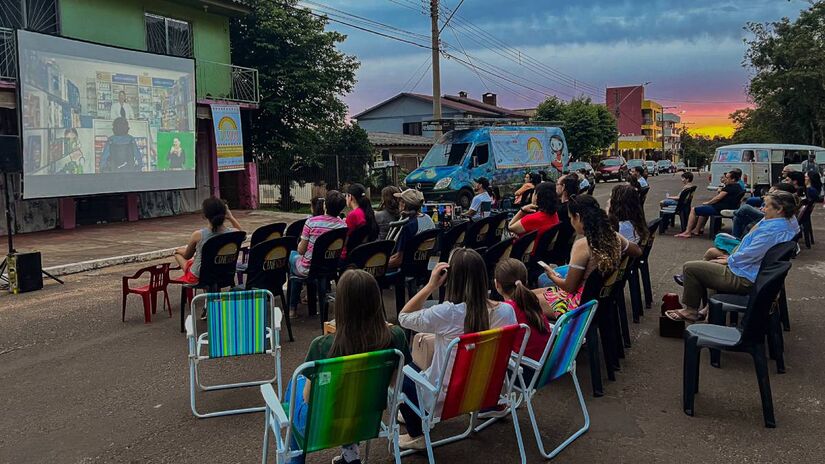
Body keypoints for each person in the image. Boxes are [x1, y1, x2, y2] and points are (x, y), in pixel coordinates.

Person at [396, 248, 517, 449]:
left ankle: (416, 434)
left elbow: (404, 317)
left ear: (451, 277)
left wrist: (430, 285)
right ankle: (416, 410)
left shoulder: (447, 313)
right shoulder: (506, 311)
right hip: (484, 391)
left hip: (446, 399)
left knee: (404, 372)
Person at [288, 269, 411, 464]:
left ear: (342, 305)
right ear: (376, 301)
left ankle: (295, 461)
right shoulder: (396, 337)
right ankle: (350, 455)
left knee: (294, 386)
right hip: (365, 420)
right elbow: (395, 383)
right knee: (355, 393)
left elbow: (308, 398)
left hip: (324, 426)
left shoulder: (323, 345)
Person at [666, 191, 799, 322]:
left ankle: (691, 311)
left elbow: (751, 254)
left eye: (766, 206)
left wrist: (730, 260)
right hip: (756, 272)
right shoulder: (786, 222)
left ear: (780, 209)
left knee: (690, 268)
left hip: (745, 277)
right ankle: (709, 308)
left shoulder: (772, 231)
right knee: (711, 261)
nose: (762, 209)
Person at [533, 195, 641, 320]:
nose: (571, 222)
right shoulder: (614, 237)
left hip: (578, 305)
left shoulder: (582, 245)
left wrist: (551, 275)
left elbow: (569, 287)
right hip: (598, 298)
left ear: (578, 217)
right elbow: (637, 251)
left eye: (571, 218)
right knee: (529, 294)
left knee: (525, 301)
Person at [287, 190, 347, 318]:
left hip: (308, 268)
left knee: (292, 256)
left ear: (325, 205)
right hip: (330, 267)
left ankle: (292, 307)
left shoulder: (311, 222)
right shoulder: (343, 225)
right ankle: (310, 298)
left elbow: (301, 250)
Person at [494, 258, 551, 373]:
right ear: (525, 281)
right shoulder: (531, 300)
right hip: (543, 364)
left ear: (497, 285)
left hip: (522, 371)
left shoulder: (506, 310)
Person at [173, 198, 242, 287]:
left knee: (178, 253)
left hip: (201, 277)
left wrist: (178, 251)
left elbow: (187, 255)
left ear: (205, 215)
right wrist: (231, 217)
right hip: (225, 274)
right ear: (225, 213)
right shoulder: (234, 234)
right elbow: (241, 233)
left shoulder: (198, 235)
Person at [675, 170, 744, 238]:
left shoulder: (730, 187)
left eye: (727, 178)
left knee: (694, 210)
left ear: (733, 179)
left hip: (720, 208)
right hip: (730, 207)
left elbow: (718, 198)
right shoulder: (738, 187)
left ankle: (687, 231)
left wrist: (708, 202)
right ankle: (697, 229)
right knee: (704, 209)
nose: (725, 179)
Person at [388, 189, 435, 269]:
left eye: (400, 201)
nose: (398, 203)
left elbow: (398, 260)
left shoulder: (408, 226)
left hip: (408, 269)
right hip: (424, 265)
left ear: (404, 204)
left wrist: (382, 266)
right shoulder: (428, 218)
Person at [732, 183, 798, 239]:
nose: (769, 195)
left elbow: (748, 252)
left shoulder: (771, 230)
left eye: (772, 193)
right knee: (738, 217)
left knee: (746, 208)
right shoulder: (783, 221)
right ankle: (735, 239)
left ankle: (734, 212)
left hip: (746, 251)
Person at [508, 181, 560, 250]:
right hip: (540, 252)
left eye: (534, 193)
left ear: (537, 196)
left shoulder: (533, 218)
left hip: (523, 252)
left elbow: (510, 227)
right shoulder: (554, 214)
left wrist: (522, 210)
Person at [342, 183, 379, 258]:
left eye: (346, 196)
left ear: (350, 197)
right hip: (364, 253)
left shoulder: (353, 215)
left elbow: (345, 241)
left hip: (350, 256)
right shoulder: (368, 212)